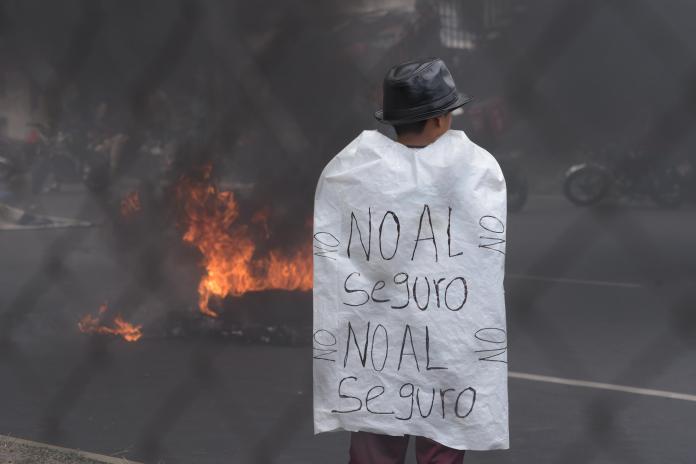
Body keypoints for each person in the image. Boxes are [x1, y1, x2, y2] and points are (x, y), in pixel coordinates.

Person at [313, 57, 508, 464]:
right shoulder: (471, 169)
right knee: (444, 434)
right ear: (439, 120)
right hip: (447, 343)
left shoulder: (354, 170)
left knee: (375, 435)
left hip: (376, 344)